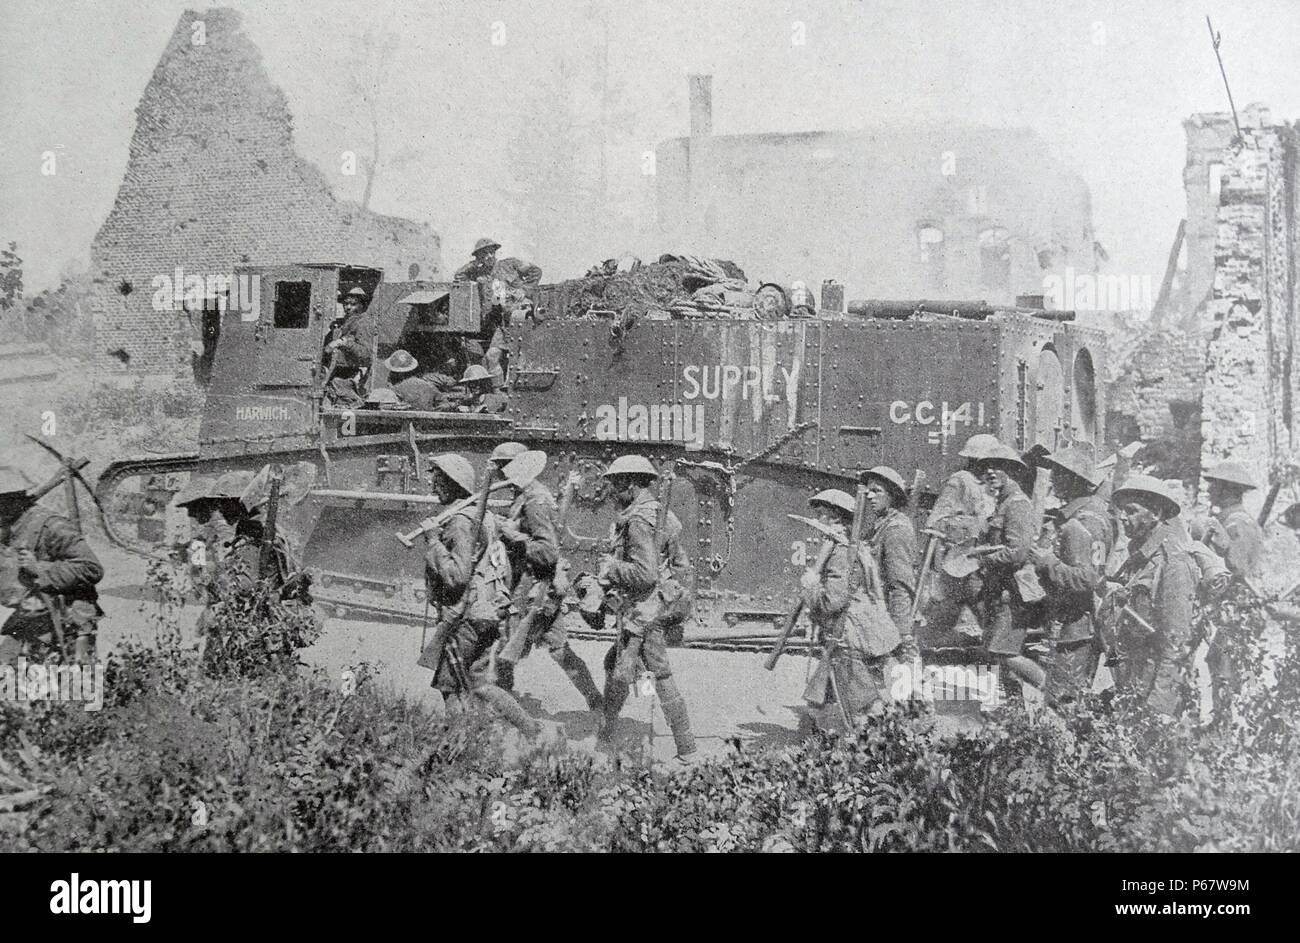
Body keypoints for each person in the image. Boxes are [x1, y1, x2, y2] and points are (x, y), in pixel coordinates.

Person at [415, 453, 543, 737]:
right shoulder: (482, 516)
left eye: (435, 478)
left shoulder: (460, 522)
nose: (430, 483)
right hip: (488, 614)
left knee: (449, 686)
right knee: (480, 684)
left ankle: (459, 747)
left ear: (449, 484)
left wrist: (434, 541)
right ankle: (530, 728)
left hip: (466, 617)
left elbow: (457, 577)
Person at [594, 455, 696, 762]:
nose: (610, 491)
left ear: (630, 484)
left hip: (645, 610)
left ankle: (687, 748)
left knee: (654, 674)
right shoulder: (657, 513)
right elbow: (679, 565)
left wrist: (612, 567)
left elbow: (646, 574)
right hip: (656, 605)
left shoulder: (638, 521)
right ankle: (609, 734)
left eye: (614, 484)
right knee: (620, 665)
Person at [492, 448, 604, 711]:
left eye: (503, 467)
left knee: (506, 653)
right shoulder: (529, 496)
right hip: (542, 589)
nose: (500, 473)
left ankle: (504, 711)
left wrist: (511, 535)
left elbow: (546, 551)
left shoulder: (534, 501)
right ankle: (596, 702)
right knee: (560, 651)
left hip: (531, 589)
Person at [799, 488, 899, 727]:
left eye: (822, 514)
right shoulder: (849, 548)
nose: (817, 520)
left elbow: (832, 601)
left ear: (835, 518)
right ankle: (813, 733)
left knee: (863, 708)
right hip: (849, 633)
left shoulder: (842, 553)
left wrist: (811, 587)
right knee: (819, 695)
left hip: (847, 637)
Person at [1106, 475, 1199, 722]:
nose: (1123, 517)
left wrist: (1160, 705)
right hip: (1134, 676)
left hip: (1155, 685)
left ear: (1156, 513)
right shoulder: (1140, 555)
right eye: (1121, 511)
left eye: (1132, 511)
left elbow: (1176, 642)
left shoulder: (1173, 563)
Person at [1028, 444, 1114, 703]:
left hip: (1075, 629)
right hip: (1077, 626)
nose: (1053, 480)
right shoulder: (1092, 514)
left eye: (1060, 474)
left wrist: (1047, 563)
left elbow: (1088, 579)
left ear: (1075, 479)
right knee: (1069, 699)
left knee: (1062, 702)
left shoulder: (1081, 522)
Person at [0, 466, 104, 665]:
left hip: (69, 619)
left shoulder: (52, 525)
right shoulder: (8, 527)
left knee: (74, 685)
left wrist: (39, 568)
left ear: (11, 500)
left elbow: (91, 568)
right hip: (32, 615)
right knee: (9, 677)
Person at [972, 442, 1047, 703]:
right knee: (996, 653)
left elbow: (1017, 552)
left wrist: (983, 559)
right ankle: (1012, 708)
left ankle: (1053, 691)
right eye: (987, 467)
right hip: (999, 591)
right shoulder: (1002, 503)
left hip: (1012, 595)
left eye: (998, 467)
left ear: (1012, 471)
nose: (991, 472)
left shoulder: (1016, 504)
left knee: (1003, 651)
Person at [1197, 462, 1266, 722]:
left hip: (1240, 609)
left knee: (1228, 667)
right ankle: (1226, 725)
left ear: (1227, 489)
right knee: (1221, 662)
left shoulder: (1238, 523)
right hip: (1231, 608)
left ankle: (1228, 729)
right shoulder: (1229, 519)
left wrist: (1225, 546)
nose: (1209, 488)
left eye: (1214, 484)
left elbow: (1240, 567)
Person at [921, 433, 997, 643]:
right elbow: (937, 521)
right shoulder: (960, 481)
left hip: (983, 564)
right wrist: (973, 525)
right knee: (976, 614)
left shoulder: (991, 485)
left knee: (983, 616)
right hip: (961, 563)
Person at [860, 466, 918, 660]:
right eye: (868, 490)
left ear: (892, 495)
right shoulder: (879, 526)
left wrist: (901, 633)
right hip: (875, 615)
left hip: (887, 618)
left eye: (877, 491)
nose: (869, 496)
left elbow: (900, 584)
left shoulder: (896, 530)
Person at [323, 286, 374, 406]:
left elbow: (365, 354)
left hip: (351, 374)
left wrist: (343, 342)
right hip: (338, 371)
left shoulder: (362, 323)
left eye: (353, 304)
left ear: (362, 305)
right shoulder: (346, 322)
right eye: (346, 304)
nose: (348, 307)